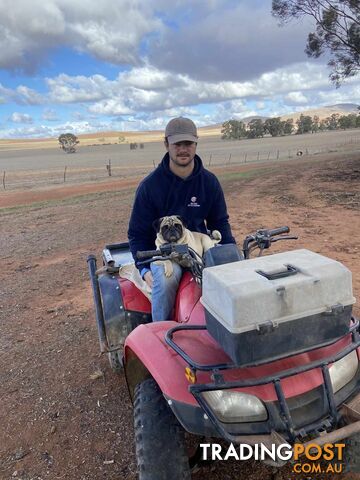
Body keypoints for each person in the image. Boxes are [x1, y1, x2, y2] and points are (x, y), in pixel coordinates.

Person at [128, 117, 235, 321]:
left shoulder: (209, 182)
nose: (183, 149)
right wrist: (143, 269)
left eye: (188, 143)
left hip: (198, 247)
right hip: (164, 255)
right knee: (167, 278)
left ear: (196, 143)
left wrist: (229, 252)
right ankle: (161, 334)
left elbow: (219, 222)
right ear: (166, 144)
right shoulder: (150, 186)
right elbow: (137, 233)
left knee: (228, 277)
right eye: (177, 144)